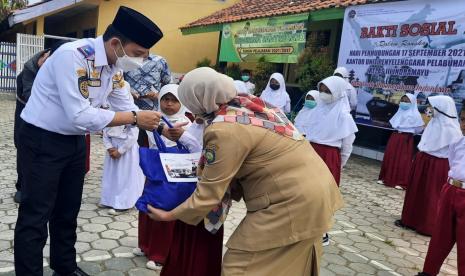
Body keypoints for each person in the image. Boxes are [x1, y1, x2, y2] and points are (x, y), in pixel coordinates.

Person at [146, 67, 344, 276]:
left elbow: (209, 194)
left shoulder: (223, 129)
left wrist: (168, 215)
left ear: (199, 98)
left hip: (289, 202)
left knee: (239, 267)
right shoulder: (254, 106)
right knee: (292, 265)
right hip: (320, 193)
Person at [14, 6, 163, 276]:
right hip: (42, 140)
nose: (140, 61)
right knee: (36, 215)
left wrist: (160, 127)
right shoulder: (74, 56)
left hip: (74, 142)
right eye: (139, 54)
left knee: (67, 211)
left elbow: (127, 105)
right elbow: (80, 114)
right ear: (116, 43)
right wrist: (134, 117)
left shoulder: (114, 66)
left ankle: (65, 267)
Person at [135, 83, 194, 271]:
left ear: (182, 102)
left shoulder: (188, 123)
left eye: (174, 100)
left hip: (175, 174)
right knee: (148, 206)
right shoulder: (151, 119)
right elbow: (143, 142)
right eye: (165, 99)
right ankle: (146, 246)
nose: (168, 104)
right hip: (155, 170)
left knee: (165, 208)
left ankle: (160, 254)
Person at [395, 95, 463, 236]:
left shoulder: (453, 130)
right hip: (423, 161)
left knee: (431, 195)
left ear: (441, 108)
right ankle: (409, 219)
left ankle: (427, 226)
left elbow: (454, 155)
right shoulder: (433, 123)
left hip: (438, 165)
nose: (429, 110)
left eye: (432, 106)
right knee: (415, 191)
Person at [416, 105, 465, 276]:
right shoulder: (458, 142)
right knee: (440, 236)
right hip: (451, 189)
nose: (464, 125)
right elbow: (453, 162)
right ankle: (428, 272)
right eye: (463, 120)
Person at [100, 83, 145, 215]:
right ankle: (109, 199)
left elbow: (133, 136)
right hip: (112, 150)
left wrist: (120, 151)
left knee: (125, 176)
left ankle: (124, 202)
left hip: (127, 151)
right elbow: (105, 131)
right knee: (112, 175)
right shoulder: (110, 112)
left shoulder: (133, 113)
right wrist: (109, 147)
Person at [305, 76, 358, 186]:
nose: (323, 94)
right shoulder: (317, 110)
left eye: (328, 91)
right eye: (321, 91)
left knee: (323, 188)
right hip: (311, 152)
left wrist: (340, 163)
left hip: (329, 156)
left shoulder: (344, 116)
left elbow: (347, 145)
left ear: (337, 92)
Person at [13, 48, 51, 204]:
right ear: (43, 55)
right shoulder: (30, 68)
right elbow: (29, 96)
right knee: (23, 147)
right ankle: (21, 187)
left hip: (44, 113)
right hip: (25, 111)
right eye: (48, 61)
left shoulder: (54, 68)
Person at [378, 93, 424, 190]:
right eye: (402, 101)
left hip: (406, 138)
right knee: (390, 156)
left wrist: (408, 132)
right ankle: (385, 178)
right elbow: (395, 123)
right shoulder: (399, 112)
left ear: (412, 103)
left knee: (403, 159)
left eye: (406, 101)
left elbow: (418, 129)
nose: (404, 103)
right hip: (395, 136)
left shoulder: (416, 115)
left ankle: (401, 181)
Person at [124, 52, 171, 147]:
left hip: (154, 113)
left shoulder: (160, 61)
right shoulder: (125, 61)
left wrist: (158, 95)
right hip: (129, 114)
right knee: (131, 146)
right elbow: (118, 84)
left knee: (151, 145)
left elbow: (169, 86)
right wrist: (128, 94)